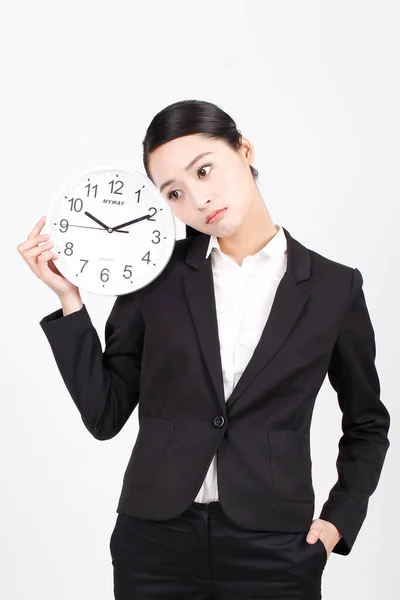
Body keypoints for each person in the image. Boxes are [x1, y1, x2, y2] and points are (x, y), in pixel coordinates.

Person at [17, 99, 391, 600]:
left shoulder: (333, 287)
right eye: (175, 192)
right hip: (154, 543)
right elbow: (104, 415)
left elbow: (367, 421)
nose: (198, 199)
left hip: (275, 546)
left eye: (205, 170)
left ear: (245, 150)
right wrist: (70, 302)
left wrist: (339, 521)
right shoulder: (154, 275)